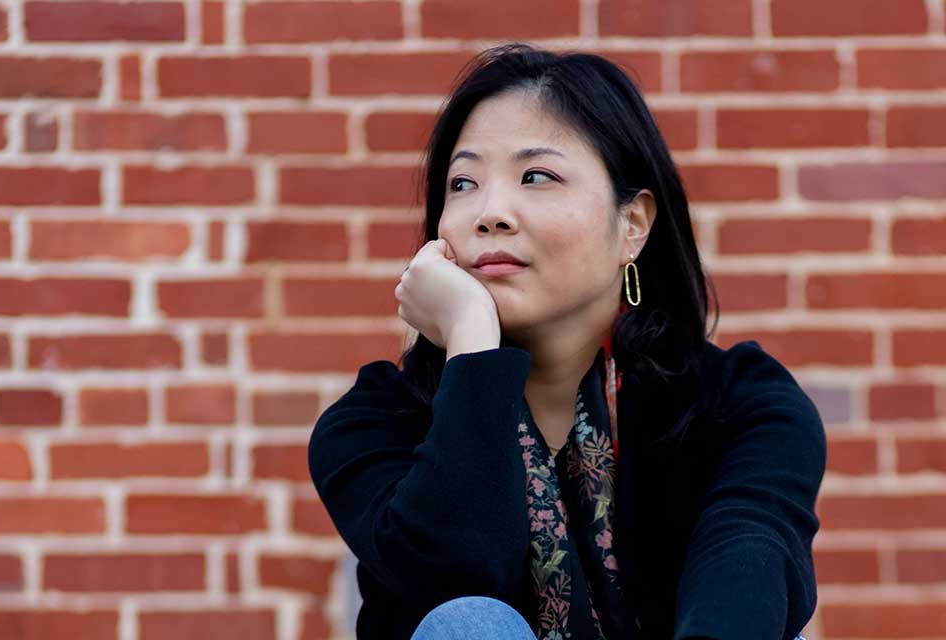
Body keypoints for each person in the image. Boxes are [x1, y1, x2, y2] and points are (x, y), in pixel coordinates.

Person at [307, 42, 826, 640]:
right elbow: (455, 567)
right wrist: (473, 340)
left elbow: (748, 565)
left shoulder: (734, 403)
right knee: (471, 622)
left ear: (632, 225)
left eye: (537, 176)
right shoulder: (375, 424)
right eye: (463, 182)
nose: (489, 212)